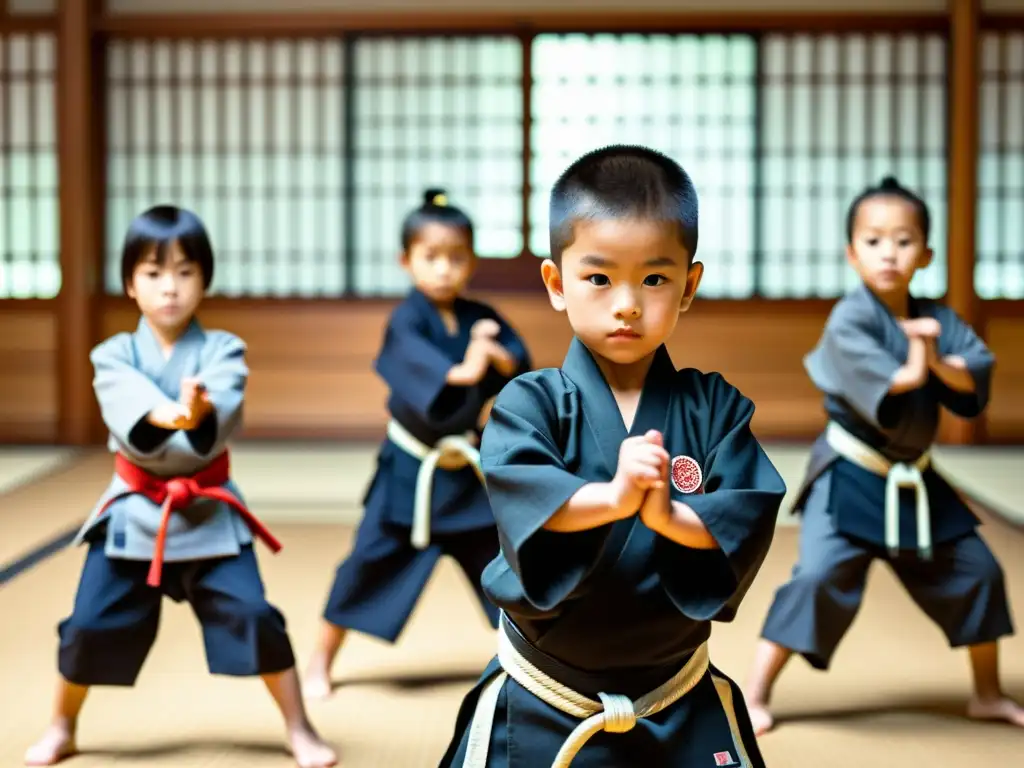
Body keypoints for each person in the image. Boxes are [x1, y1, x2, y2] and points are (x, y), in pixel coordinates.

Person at [438, 146, 787, 767]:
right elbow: (526, 495)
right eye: (599, 277)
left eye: (654, 278)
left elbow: (746, 509)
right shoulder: (529, 402)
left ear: (689, 286)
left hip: (675, 692)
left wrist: (670, 519)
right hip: (549, 696)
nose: (627, 302)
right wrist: (613, 500)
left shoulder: (715, 406)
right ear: (557, 283)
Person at [24, 206, 337, 768]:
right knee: (88, 625)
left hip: (209, 517)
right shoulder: (112, 355)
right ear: (130, 283)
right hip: (133, 514)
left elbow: (217, 418)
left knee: (255, 616)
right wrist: (175, 415)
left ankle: (299, 727)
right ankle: (62, 725)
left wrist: (196, 415)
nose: (170, 287)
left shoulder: (224, 351)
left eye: (185, 272)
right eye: (153, 273)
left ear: (204, 279)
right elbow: (133, 417)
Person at [744, 176, 1023, 735]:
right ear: (852, 253)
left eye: (902, 240)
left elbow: (973, 377)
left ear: (925, 254)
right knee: (818, 577)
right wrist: (924, 358)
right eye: (873, 241)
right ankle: (754, 693)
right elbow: (898, 383)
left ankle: (987, 695)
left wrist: (932, 352)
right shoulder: (850, 319)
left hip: (915, 480)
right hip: (851, 474)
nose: (888, 252)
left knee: (977, 570)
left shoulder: (939, 320)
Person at [303, 189, 532, 700]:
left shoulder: (479, 313)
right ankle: (320, 660)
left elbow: (518, 364)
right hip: (412, 476)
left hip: (467, 478)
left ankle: (539, 665)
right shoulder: (405, 321)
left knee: (508, 568)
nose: (445, 270)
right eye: (431, 258)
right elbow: (436, 377)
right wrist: (476, 360)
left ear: (471, 261)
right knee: (365, 564)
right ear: (406, 262)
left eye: (456, 258)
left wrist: (494, 356)